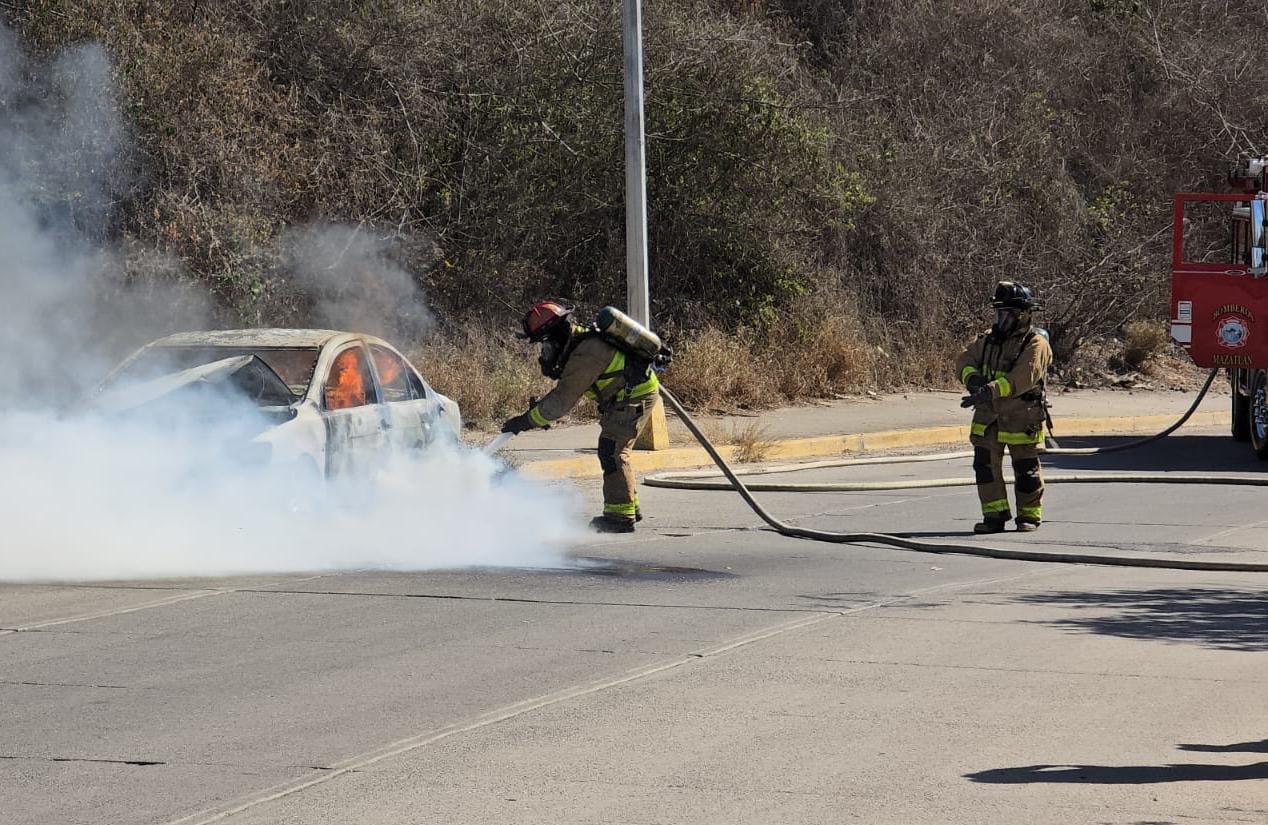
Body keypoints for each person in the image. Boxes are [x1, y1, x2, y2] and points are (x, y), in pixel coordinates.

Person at [501, 300, 660, 533]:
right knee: (613, 449)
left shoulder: (587, 353)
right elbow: (563, 393)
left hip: (633, 397)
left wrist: (526, 421)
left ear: (555, 334)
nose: (544, 352)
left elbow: (562, 400)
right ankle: (628, 506)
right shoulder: (578, 345)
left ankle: (620, 518)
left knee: (612, 450)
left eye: (544, 343)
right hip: (623, 398)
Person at [955, 281, 1053, 533]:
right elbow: (965, 360)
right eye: (998, 314)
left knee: (1026, 470)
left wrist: (988, 391)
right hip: (988, 416)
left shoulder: (1035, 344)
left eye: (1005, 314)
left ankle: (1028, 516)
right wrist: (973, 380)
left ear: (1022, 315)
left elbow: (1022, 378)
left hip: (1022, 415)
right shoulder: (987, 340)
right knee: (985, 467)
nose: (1000, 320)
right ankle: (994, 516)